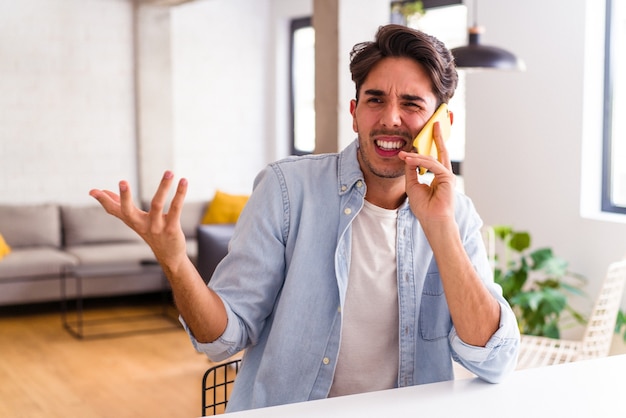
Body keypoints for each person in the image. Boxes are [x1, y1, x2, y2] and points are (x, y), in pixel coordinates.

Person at [90, 24, 520, 412]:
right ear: (354, 112)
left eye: (411, 104)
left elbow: (495, 360)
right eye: (375, 100)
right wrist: (176, 262)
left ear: (440, 122)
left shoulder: (456, 215)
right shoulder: (285, 190)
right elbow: (221, 338)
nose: (391, 119)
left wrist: (440, 226)